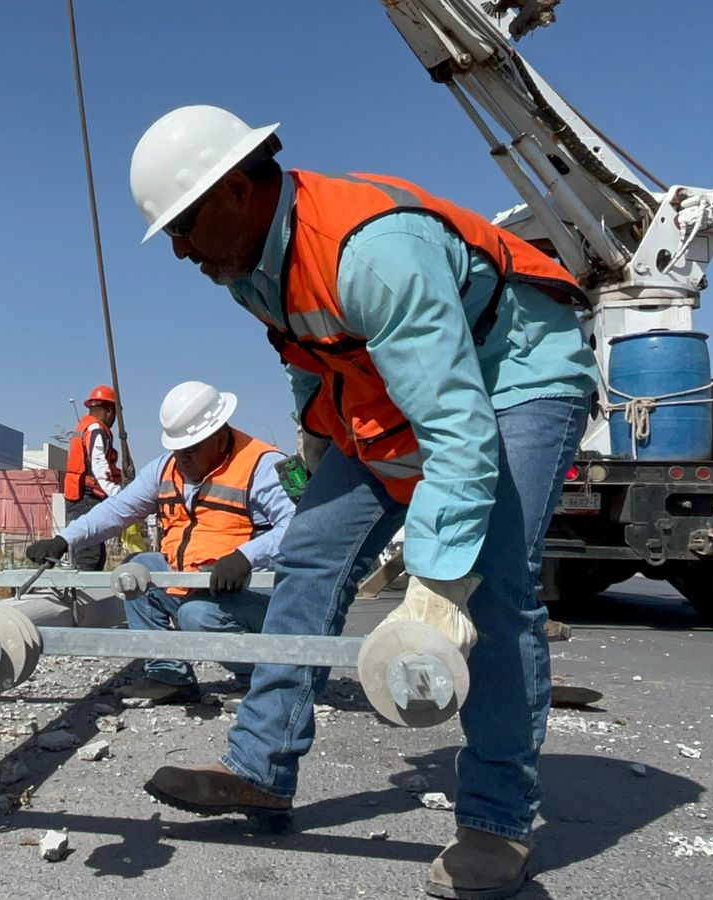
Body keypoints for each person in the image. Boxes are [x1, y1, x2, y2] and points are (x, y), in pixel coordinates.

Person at [127, 105, 598, 900]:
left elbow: (457, 426)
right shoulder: (248, 271)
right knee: (310, 551)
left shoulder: (373, 253)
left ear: (239, 190)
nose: (178, 249)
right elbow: (312, 363)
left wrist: (439, 584)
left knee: (497, 587)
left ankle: (496, 821)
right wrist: (318, 457)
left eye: (184, 224)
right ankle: (260, 766)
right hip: (391, 395)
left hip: (515, 372)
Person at [29, 380, 296, 703]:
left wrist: (246, 556)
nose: (182, 458)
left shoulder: (263, 465)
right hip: (196, 582)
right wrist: (64, 539)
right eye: (177, 449)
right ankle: (168, 677)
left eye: (191, 449)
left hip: (251, 594)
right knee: (137, 570)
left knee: (197, 615)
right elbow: (117, 510)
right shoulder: (166, 468)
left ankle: (261, 678)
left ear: (220, 435)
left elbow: (299, 527)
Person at [60, 385, 124, 571]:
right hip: (86, 499)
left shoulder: (86, 427)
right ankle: (82, 596)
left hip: (81, 498)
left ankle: (86, 596)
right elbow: (99, 466)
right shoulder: (96, 429)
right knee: (89, 555)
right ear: (110, 410)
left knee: (95, 553)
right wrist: (117, 494)